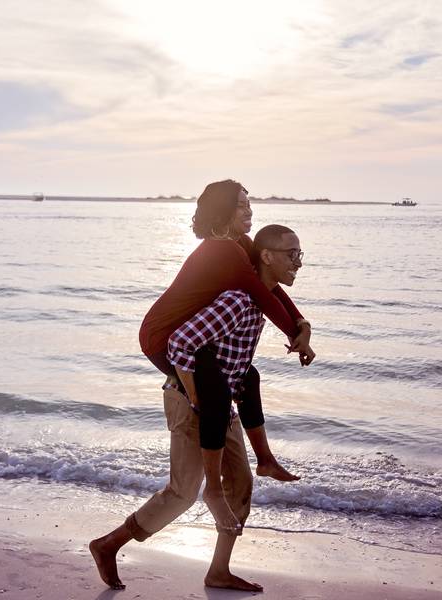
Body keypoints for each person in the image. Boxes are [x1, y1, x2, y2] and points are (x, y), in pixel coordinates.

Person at [91, 224, 307, 591]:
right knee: (182, 492)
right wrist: (196, 398)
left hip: (221, 404)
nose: (299, 263)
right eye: (292, 255)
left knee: (240, 483)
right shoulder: (238, 300)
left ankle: (219, 571)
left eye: (301, 255)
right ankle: (108, 545)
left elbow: (237, 361)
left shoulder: (260, 301)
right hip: (188, 398)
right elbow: (180, 343)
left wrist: (302, 327)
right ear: (267, 257)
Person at [139, 180, 314, 488]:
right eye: (241, 205)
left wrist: (301, 324)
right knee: (217, 397)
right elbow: (261, 294)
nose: (249, 210)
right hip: (161, 337)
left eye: (249, 204)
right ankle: (214, 488)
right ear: (224, 211)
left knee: (249, 377)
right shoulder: (222, 249)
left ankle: (265, 460)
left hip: (189, 335)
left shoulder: (240, 244)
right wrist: (296, 336)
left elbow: (269, 288)